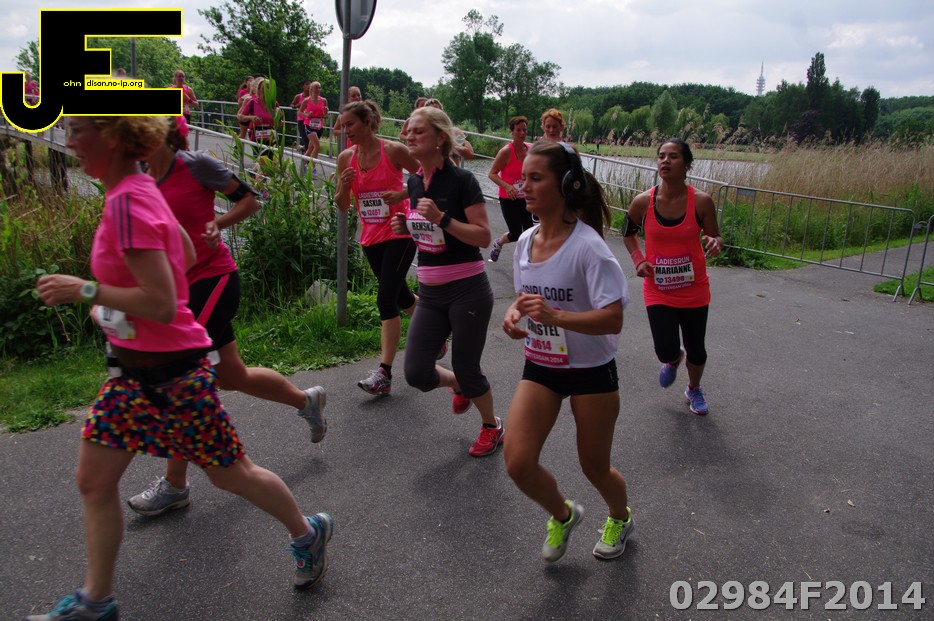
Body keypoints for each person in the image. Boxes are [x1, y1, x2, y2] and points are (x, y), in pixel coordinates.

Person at [28, 116, 332, 621]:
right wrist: (113, 308)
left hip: (174, 376)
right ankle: (95, 602)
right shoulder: (138, 189)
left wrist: (85, 290)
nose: (68, 139)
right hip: (129, 376)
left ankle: (308, 532)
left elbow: (163, 303)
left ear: (113, 136)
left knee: (232, 475)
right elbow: (186, 249)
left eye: (79, 130)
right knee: (94, 482)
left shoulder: (129, 200)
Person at [125, 116, 328, 517]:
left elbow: (249, 199)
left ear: (161, 133)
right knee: (232, 375)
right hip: (178, 287)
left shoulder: (195, 164)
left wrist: (217, 224)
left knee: (178, 374)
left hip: (213, 278)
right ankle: (305, 401)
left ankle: (175, 484)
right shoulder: (142, 178)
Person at [502, 140, 633, 563]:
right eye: (523, 178)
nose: (523, 186)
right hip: (542, 364)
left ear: (566, 185)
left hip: (591, 369)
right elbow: (527, 296)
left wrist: (557, 316)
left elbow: (613, 318)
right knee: (518, 463)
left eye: (535, 178)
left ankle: (620, 517)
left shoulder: (589, 247)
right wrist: (514, 312)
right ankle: (563, 515)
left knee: (594, 466)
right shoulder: (525, 241)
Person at [389, 106, 501, 457]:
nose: (409, 136)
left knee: (468, 367)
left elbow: (483, 236)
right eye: (408, 131)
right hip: (430, 293)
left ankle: (492, 426)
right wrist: (406, 228)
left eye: (418, 131)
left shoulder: (462, 181)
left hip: (468, 290)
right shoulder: (414, 182)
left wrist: (443, 218)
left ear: (440, 138)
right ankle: (459, 385)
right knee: (416, 373)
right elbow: (427, 234)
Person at [622, 138, 723, 415]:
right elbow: (627, 232)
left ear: (687, 164)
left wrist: (715, 243)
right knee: (665, 350)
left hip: (694, 288)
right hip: (658, 289)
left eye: (673, 156)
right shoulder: (643, 202)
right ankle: (674, 358)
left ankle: (694, 388)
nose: (665, 161)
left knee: (697, 349)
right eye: (661, 156)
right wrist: (638, 259)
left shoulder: (701, 201)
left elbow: (715, 236)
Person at [335, 100, 421, 396]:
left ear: (368, 122)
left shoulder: (393, 150)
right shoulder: (346, 158)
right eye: (343, 125)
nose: (346, 130)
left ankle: (384, 373)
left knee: (385, 300)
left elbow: (428, 177)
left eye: (351, 124)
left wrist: (402, 193)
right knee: (401, 296)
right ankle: (434, 327)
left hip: (400, 232)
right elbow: (342, 204)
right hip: (370, 238)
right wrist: (344, 185)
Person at [487, 115, 533, 262]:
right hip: (509, 198)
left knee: (530, 232)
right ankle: (499, 243)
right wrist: (507, 186)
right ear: (512, 132)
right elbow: (492, 174)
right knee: (516, 233)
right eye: (518, 130)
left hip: (525, 197)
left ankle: (527, 262)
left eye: (524, 130)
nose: (522, 133)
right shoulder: (506, 151)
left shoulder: (530, 150)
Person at [423, 98, 474, 165]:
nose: (434, 114)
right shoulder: (423, 134)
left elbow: (470, 154)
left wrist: (452, 146)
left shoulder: (454, 131)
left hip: (452, 170)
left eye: (436, 111)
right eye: (431, 112)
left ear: (442, 113)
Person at [302, 81, 328, 161]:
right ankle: (313, 166)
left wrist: (326, 112)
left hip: (319, 125)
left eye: (319, 88)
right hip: (309, 125)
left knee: (311, 148)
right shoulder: (306, 100)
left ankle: (303, 165)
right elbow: (300, 112)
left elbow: (325, 115)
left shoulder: (324, 100)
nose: (318, 89)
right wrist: (307, 115)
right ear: (312, 89)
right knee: (317, 146)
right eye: (316, 88)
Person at [291, 80, 312, 152]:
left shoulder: (313, 97)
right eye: (307, 84)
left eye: (310, 84)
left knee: (310, 139)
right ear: (303, 86)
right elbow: (292, 105)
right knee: (305, 138)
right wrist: (297, 106)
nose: (309, 86)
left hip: (310, 120)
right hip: (301, 120)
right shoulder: (298, 96)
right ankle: (306, 155)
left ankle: (304, 150)